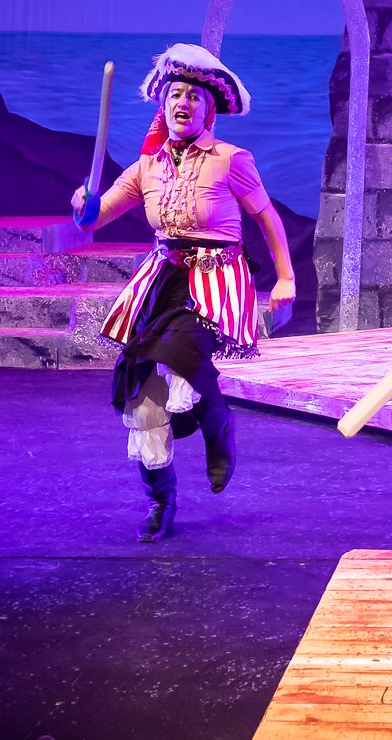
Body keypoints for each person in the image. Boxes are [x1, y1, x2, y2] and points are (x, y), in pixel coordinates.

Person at [74, 43, 297, 542]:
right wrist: (82, 205)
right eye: (175, 94)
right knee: (143, 400)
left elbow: (267, 218)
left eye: (194, 97)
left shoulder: (231, 160)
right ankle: (161, 501)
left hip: (214, 282)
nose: (183, 103)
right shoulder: (146, 168)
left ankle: (217, 424)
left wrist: (285, 278)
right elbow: (94, 218)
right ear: (164, 105)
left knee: (179, 356)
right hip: (161, 283)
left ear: (208, 110)